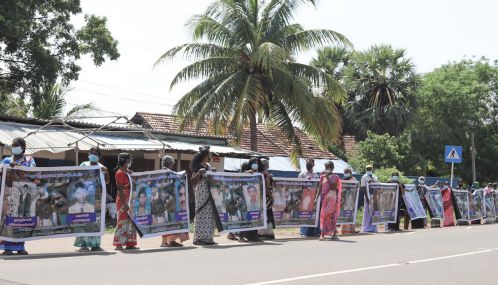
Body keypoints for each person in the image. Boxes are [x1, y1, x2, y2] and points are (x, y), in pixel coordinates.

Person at [1, 137, 36, 255]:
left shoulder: (29, 160)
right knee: (8, 221)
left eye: (17, 145)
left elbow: (33, 173)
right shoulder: (6, 160)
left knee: (21, 220)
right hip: (8, 195)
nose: (14, 147)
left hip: (23, 195)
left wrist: (19, 168)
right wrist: (8, 167)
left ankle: (21, 247)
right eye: (13, 145)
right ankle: (7, 247)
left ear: (23, 147)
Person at [74, 147, 110, 252]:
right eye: (91, 152)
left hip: (97, 199)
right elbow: (77, 177)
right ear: (88, 154)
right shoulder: (83, 165)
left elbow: (107, 182)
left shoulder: (101, 167)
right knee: (84, 220)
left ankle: (95, 244)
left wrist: (106, 171)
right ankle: (83, 244)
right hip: (83, 198)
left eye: (95, 153)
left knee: (96, 221)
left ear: (99, 156)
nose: (93, 155)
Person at [192, 146, 219, 246]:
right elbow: (193, 181)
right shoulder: (198, 166)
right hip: (201, 191)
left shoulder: (209, 165)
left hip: (210, 191)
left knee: (210, 214)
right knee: (201, 213)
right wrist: (199, 173)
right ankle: (198, 238)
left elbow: (212, 179)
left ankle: (208, 238)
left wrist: (213, 173)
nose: (210, 155)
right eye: (209, 154)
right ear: (205, 155)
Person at [160, 156, 189, 247]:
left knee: (172, 220)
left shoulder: (169, 173)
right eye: (172, 164)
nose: (172, 165)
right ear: (169, 163)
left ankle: (171, 241)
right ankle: (165, 242)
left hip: (172, 201)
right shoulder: (163, 173)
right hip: (166, 201)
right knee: (168, 220)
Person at [113, 153, 138, 250]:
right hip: (123, 200)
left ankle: (130, 243)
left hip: (131, 199)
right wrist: (124, 203)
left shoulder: (128, 172)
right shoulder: (119, 173)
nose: (129, 162)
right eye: (128, 160)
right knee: (122, 221)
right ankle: (119, 243)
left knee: (130, 221)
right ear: (124, 161)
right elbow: (120, 189)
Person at [315, 161, 342, 240]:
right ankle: (326, 233)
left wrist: (327, 178)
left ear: (332, 168)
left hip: (332, 198)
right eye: (326, 167)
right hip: (324, 199)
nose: (327, 169)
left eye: (328, 167)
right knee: (323, 215)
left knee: (328, 215)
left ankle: (329, 232)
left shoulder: (336, 177)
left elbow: (334, 187)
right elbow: (319, 188)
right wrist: (316, 198)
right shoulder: (322, 177)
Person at [239, 157, 263, 242]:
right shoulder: (245, 172)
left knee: (255, 217)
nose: (256, 164)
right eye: (254, 162)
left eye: (257, 163)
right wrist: (246, 173)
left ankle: (253, 236)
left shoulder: (259, 174)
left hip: (256, 200)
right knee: (245, 218)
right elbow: (239, 181)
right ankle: (241, 237)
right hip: (245, 200)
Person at [298, 158, 320, 237]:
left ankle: (314, 232)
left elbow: (318, 186)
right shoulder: (302, 174)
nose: (309, 165)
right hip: (304, 197)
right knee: (304, 214)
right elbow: (299, 187)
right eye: (307, 163)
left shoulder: (316, 175)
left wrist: (316, 198)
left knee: (313, 214)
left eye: (310, 163)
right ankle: (304, 232)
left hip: (313, 197)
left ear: (313, 165)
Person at [258, 158, 275, 240]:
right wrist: (271, 196)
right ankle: (267, 232)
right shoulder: (266, 175)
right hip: (265, 197)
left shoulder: (259, 174)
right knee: (267, 214)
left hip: (260, 197)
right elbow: (267, 188)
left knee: (263, 214)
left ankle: (263, 232)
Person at [361, 164, 378, 233]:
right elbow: (363, 188)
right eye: (368, 169)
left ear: (372, 169)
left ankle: (373, 228)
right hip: (367, 196)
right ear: (366, 170)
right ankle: (366, 228)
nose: (369, 170)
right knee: (367, 212)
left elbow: (377, 185)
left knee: (374, 212)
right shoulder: (364, 177)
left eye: (370, 169)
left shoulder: (374, 176)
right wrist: (367, 198)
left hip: (374, 196)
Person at [341, 167, 358, 234]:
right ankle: (344, 230)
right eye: (345, 172)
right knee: (345, 214)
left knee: (351, 214)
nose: (346, 174)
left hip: (352, 199)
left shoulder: (354, 179)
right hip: (345, 200)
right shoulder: (343, 180)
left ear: (350, 173)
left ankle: (352, 229)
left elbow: (357, 186)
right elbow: (341, 190)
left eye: (348, 172)